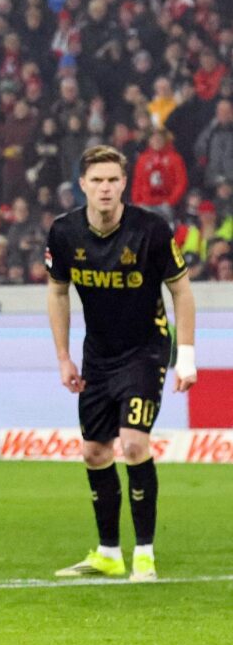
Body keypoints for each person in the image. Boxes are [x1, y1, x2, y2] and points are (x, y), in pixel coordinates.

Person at [46, 146, 197, 583]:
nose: (105, 188)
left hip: (146, 349)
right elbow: (57, 292)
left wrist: (186, 356)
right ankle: (109, 552)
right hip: (98, 355)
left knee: (132, 444)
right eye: (97, 180)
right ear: (82, 185)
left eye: (113, 180)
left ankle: (144, 554)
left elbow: (181, 291)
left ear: (124, 183)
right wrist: (63, 357)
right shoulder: (64, 233)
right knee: (94, 452)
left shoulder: (151, 230)